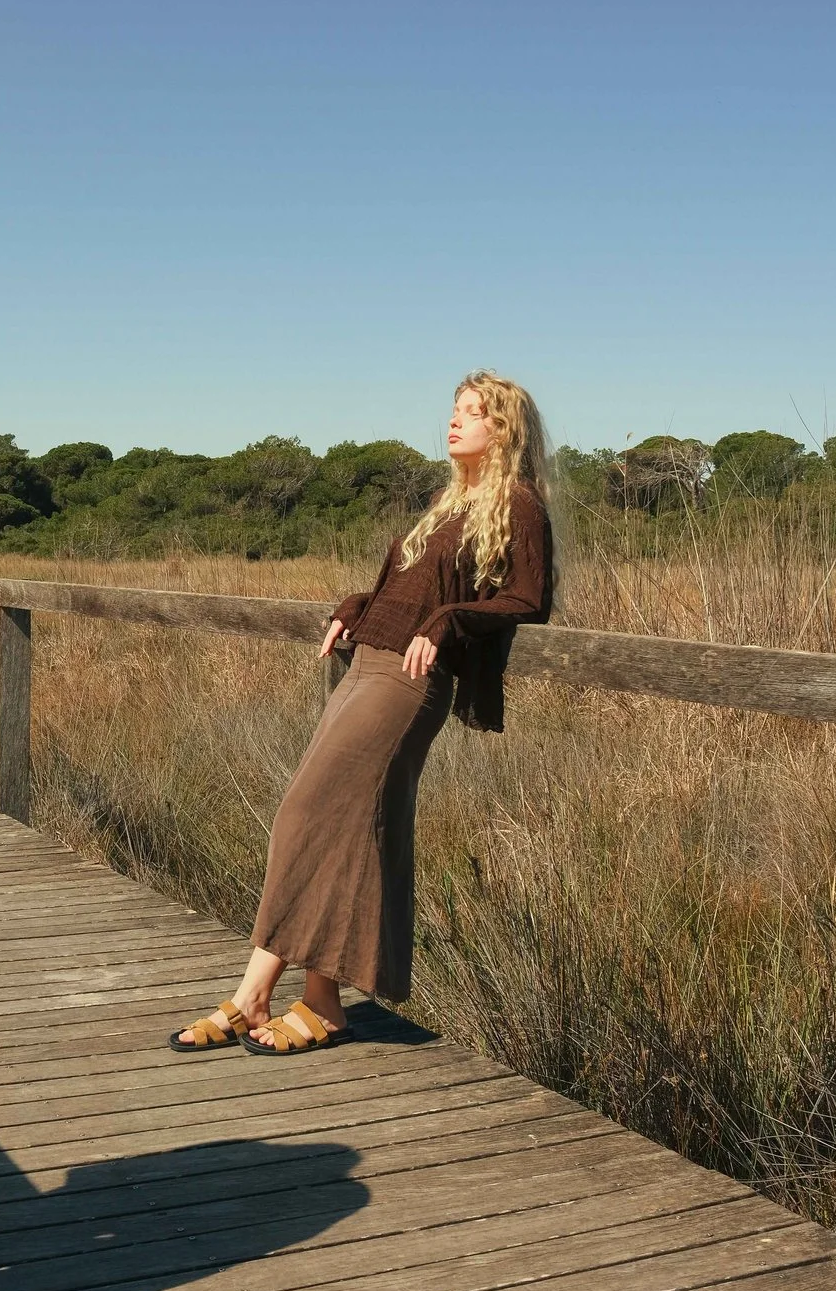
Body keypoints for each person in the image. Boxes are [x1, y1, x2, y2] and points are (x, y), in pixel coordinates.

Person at [171, 371, 556, 1057]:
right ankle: (295, 996)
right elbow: (402, 584)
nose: (455, 420)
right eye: (454, 409)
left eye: (473, 413)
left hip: (410, 682)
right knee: (327, 822)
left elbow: (528, 598)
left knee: (311, 813)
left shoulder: (519, 504)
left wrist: (449, 621)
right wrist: (358, 607)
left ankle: (275, 993)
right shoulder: (448, 499)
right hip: (369, 661)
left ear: (504, 430)